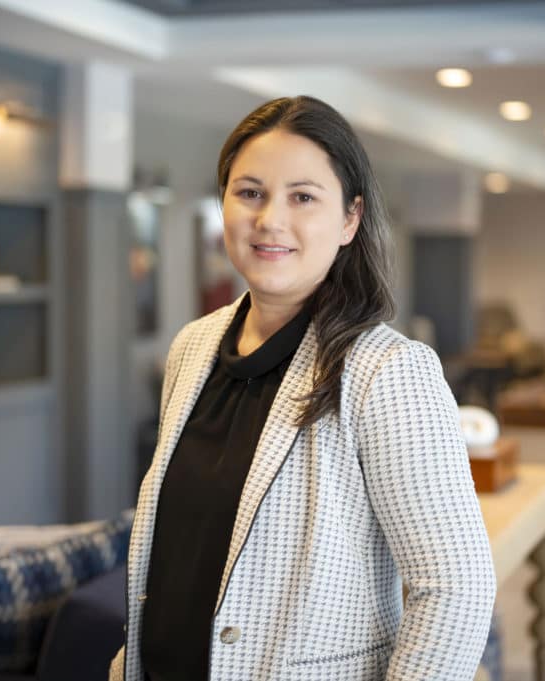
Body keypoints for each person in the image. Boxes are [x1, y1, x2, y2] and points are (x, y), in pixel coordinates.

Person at [110, 96, 495, 681]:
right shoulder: (193, 346)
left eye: (303, 197)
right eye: (250, 192)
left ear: (349, 219)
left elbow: (454, 588)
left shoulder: (388, 370)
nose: (270, 219)